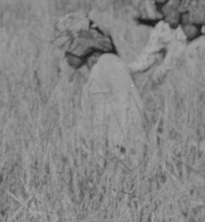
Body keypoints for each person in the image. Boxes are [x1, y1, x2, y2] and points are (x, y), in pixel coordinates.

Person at [59, 18, 146, 153]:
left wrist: (125, 147)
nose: (65, 56)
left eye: (68, 49)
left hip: (121, 152)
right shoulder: (96, 71)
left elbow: (131, 104)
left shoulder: (110, 63)